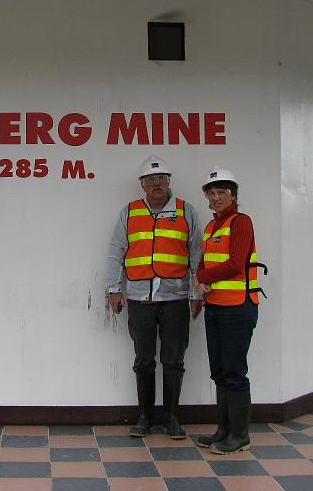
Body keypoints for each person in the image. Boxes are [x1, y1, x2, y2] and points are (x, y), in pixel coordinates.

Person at [107, 156, 203, 438]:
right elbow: (116, 252)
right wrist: (114, 289)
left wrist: (196, 293)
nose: (156, 183)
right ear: (142, 185)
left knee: (174, 360)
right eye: (150, 180)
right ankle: (145, 417)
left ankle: (171, 418)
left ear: (169, 181)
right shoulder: (130, 212)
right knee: (143, 360)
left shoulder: (186, 212)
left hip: (175, 299)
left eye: (161, 178)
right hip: (139, 300)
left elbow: (197, 255)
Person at [194, 166, 259, 454]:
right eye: (212, 193)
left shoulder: (240, 222)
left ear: (233, 195)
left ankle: (240, 436)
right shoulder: (211, 227)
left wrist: (202, 279)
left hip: (238, 308)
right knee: (219, 370)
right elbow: (204, 261)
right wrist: (199, 278)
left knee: (234, 371)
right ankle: (223, 430)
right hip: (215, 307)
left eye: (222, 192)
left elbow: (235, 264)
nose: (216, 197)